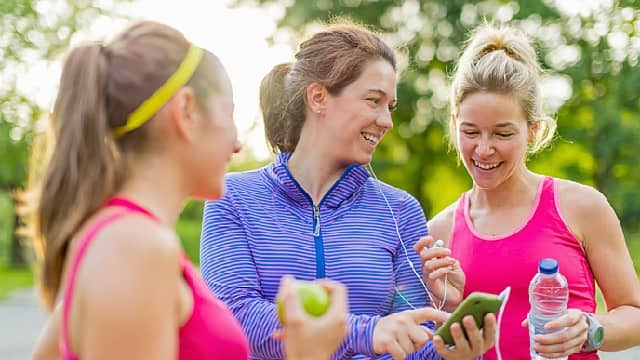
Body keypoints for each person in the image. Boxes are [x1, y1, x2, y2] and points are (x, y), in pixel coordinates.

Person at [26, 20, 349, 360]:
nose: (238, 143)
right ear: (186, 111)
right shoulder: (135, 247)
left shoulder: (117, 239)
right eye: (230, 114)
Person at [199, 22, 496, 360]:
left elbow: (409, 343)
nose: (386, 121)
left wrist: (446, 349)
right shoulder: (234, 197)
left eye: (390, 106)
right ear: (318, 97)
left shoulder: (400, 211)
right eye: (374, 101)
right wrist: (366, 332)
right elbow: (235, 316)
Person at [417, 23, 640, 359]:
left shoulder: (582, 207)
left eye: (502, 134)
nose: (483, 149)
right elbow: (430, 346)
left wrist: (591, 328)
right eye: (471, 132)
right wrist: (447, 304)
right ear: (454, 125)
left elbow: (634, 313)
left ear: (533, 130)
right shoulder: (439, 232)